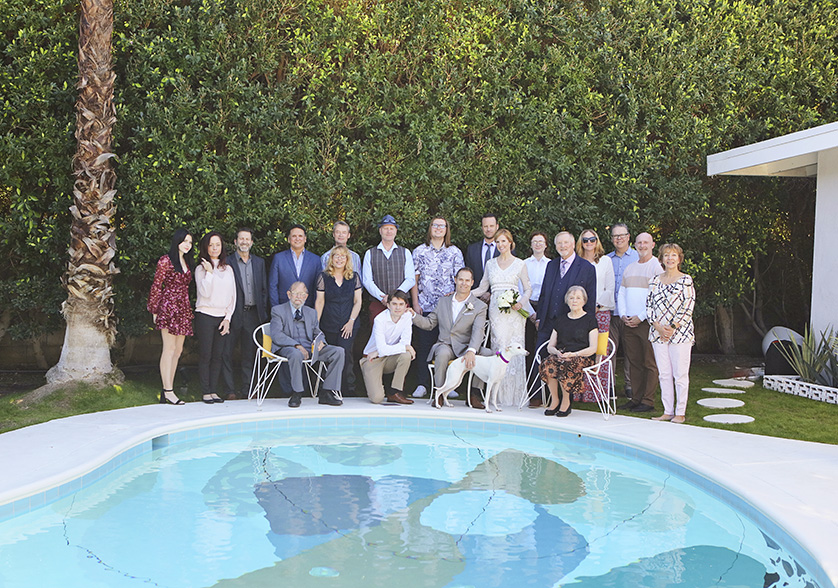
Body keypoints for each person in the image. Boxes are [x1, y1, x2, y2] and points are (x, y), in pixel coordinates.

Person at [413, 267, 489, 409]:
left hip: (466, 346)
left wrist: (472, 350)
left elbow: (478, 331)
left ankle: (474, 394)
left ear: (472, 283)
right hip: (446, 344)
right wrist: (413, 316)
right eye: (461, 279)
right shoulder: (443, 301)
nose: (464, 283)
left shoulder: (479, 306)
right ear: (455, 280)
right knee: (441, 354)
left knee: (487, 354)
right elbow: (429, 323)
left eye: (467, 280)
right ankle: (440, 394)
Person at [472, 229, 531, 407]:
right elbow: (482, 288)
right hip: (496, 311)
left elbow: (528, 288)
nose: (501, 245)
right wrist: (465, 294)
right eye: (498, 242)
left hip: (514, 312)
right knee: (499, 347)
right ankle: (497, 396)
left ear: (510, 243)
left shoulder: (520, 263)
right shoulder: (490, 264)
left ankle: (515, 395)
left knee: (516, 349)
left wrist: (521, 301)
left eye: (504, 242)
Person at [410, 216, 464, 398]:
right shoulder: (419, 251)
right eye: (435, 225)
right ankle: (422, 384)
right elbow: (414, 279)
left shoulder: (455, 252)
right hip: (425, 305)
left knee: (448, 345)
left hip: (448, 308)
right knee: (425, 345)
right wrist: (415, 302)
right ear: (430, 228)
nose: (439, 228)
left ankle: (449, 385)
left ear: (447, 229)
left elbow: (460, 279)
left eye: (442, 226)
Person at [270, 281, 344, 407]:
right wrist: (297, 345)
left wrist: (321, 342)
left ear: (306, 296)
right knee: (296, 353)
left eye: (302, 294)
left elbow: (317, 332)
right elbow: (277, 335)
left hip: (310, 347)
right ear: (289, 295)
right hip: (288, 348)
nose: (299, 297)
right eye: (295, 293)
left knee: (338, 352)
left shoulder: (311, 312)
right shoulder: (278, 310)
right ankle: (297, 393)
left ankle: (327, 392)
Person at [647, 244, 696, 424]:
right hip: (658, 334)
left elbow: (688, 307)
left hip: (680, 334)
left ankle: (680, 412)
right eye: (666, 255)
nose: (670, 258)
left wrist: (672, 327)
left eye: (673, 255)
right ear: (661, 258)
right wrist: (659, 327)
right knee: (664, 374)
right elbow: (649, 307)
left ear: (679, 258)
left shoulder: (686, 280)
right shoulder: (654, 281)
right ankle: (667, 411)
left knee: (680, 374)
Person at [617, 232, 664, 413]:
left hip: (647, 323)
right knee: (634, 362)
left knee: (649, 363)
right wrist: (623, 315)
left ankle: (648, 400)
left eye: (646, 242)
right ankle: (635, 398)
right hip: (628, 322)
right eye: (639, 242)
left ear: (652, 245)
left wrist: (641, 316)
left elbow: (657, 298)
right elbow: (621, 293)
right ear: (634, 245)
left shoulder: (657, 268)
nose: (642, 245)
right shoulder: (630, 268)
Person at [147, 229, 193, 405]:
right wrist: (154, 309)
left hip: (183, 307)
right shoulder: (166, 260)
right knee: (169, 348)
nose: (188, 245)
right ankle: (168, 391)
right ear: (177, 242)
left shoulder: (186, 261)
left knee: (178, 350)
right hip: (168, 307)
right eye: (185, 241)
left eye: (190, 242)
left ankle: (168, 387)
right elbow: (157, 285)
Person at [222, 228, 268, 400]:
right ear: (235, 242)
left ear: (252, 242)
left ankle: (249, 389)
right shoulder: (227, 263)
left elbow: (263, 289)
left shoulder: (259, 263)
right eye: (241, 239)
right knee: (226, 352)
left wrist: (262, 313)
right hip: (232, 314)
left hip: (252, 314)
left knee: (250, 353)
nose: (244, 242)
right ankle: (229, 390)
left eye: (247, 239)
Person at [539, 286, 598, 417]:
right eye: (571, 298)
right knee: (548, 363)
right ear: (567, 300)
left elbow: (593, 348)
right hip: (562, 354)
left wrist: (575, 354)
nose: (574, 301)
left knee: (566, 364)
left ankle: (566, 401)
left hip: (582, 356)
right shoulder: (561, 320)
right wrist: (556, 352)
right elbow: (550, 346)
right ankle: (555, 400)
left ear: (584, 301)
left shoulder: (590, 320)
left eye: (578, 298)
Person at [535, 232, 597, 352]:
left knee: (563, 364)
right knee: (540, 361)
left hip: (571, 325)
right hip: (547, 323)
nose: (562, 246)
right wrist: (539, 318)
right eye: (559, 243)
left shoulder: (586, 268)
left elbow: (590, 299)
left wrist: (586, 326)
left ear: (573, 244)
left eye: (566, 242)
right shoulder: (551, 265)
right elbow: (544, 294)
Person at [194, 231, 236, 404]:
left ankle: (213, 390)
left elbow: (233, 295)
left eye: (217, 244)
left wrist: (228, 318)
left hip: (222, 317)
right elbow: (204, 292)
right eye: (211, 245)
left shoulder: (228, 269)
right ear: (206, 247)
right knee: (206, 355)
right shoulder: (200, 269)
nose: (214, 248)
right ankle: (205, 391)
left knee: (218, 355)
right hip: (205, 315)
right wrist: (209, 272)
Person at [315, 245, 362, 395]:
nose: (339, 259)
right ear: (331, 259)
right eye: (336, 256)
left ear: (347, 259)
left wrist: (351, 321)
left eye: (343, 256)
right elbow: (320, 302)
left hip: (349, 324)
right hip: (329, 324)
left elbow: (358, 302)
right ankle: (328, 390)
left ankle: (348, 390)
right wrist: (316, 327)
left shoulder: (354, 277)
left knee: (346, 355)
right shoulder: (323, 277)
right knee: (331, 356)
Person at [575, 228, 615, 402]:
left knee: (600, 350)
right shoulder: (576, 262)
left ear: (597, 241)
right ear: (580, 242)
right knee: (580, 349)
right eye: (585, 240)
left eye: (592, 239)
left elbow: (609, 288)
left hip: (601, 311)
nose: (589, 243)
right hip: (580, 312)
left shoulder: (605, 261)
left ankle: (597, 393)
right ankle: (577, 392)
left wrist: (597, 305)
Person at [360, 290, 416, 404]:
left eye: (401, 304)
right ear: (388, 305)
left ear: (406, 306)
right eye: (394, 304)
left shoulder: (407, 317)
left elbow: (405, 342)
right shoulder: (380, 320)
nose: (398, 308)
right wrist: (405, 347)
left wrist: (406, 348)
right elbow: (385, 348)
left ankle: (395, 392)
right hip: (371, 359)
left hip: (389, 357)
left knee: (406, 355)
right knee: (377, 399)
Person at [362, 215, 415, 321]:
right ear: (380, 230)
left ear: (396, 231)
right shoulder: (370, 253)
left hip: (401, 304)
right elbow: (367, 281)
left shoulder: (405, 252)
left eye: (391, 228)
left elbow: (410, 279)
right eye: (386, 228)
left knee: (402, 335)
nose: (388, 231)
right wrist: (383, 297)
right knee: (378, 335)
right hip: (378, 303)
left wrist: (395, 297)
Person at [607, 222, 639, 397]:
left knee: (631, 352)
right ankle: (609, 385)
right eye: (615, 236)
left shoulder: (636, 258)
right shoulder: (606, 259)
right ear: (612, 239)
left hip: (630, 314)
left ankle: (630, 385)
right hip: (611, 313)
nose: (618, 238)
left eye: (622, 235)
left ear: (628, 237)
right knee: (609, 350)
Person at [524, 231, 550, 400]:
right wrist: (531, 314)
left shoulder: (551, 264)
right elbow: (521, 289)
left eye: (541, 241)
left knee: (545, 350)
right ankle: (529, 388)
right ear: (531, 245)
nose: (538, 244)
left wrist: (540, 315)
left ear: (546, 245)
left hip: (545, 308)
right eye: (535, 241)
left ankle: (545, 391)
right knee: (528, 349)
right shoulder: (524, 264)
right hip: (526, 307)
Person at [268, 224, 321, 308]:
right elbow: (273, 286)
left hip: (308, 308)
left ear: (305, 239)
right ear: (289, 239)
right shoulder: (279, 258)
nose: (297, 239)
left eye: (300, 236)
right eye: (294, 236)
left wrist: (315, 310)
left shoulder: (316, 260)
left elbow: (318, 287)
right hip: (284, 307)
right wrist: (276, 309)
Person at [464, 213, 500, 297]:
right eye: (485, 226)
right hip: (475, 298)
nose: (488, 229)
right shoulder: (472, 249)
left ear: (497, 226)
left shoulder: (504, 249)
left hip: (499, 298)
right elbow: (468, 274)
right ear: (482, 228)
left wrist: (490, 293)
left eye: (491, 226)